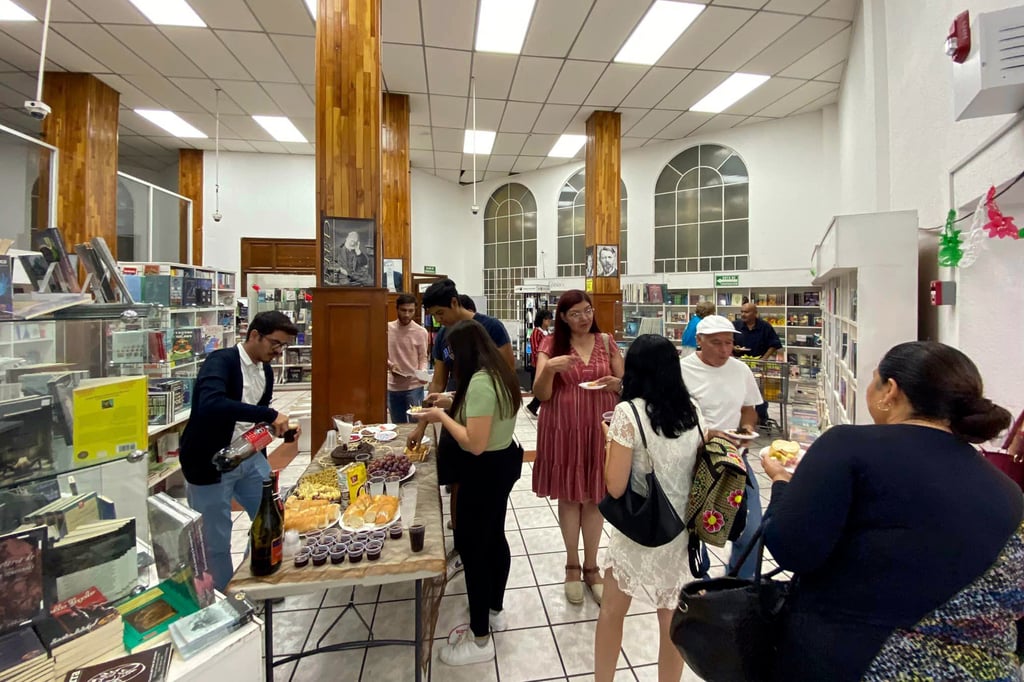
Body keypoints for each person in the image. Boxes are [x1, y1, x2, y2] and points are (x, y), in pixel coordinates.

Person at [761, 341, 1021, 681]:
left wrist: (781, 485)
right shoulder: (1008, 491)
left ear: (891, 391)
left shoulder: (846, 445)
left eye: (874, 379)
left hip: (862, 660)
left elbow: (792, 548)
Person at [413, 319, 523, 666]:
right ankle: (494, 609)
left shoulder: (479, 383)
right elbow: (483, 415)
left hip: (482, 471)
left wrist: (438, 417)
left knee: (474, 552)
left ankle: (478, 640)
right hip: (503, 463)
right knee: (494, 538)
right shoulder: (500, 373)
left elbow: (474, 442)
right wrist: (447, 401)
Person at [595, 335, 703, 682]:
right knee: (671, 621)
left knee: (613, 612)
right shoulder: (693, 410)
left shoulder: (628, 413)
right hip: (681, 530)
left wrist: (608, 438)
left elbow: (615, 485)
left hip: (640, 530)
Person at [180, 311, 296, 591]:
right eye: (275, 344)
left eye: (283, 346)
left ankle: (256, 577)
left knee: (273, 517)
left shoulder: (265, 369)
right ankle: (223, 597)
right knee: (215, 540)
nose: (278, 352)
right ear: (254, 335)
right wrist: (268, 414)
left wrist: (276, 428)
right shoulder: (221, 362)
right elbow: (211, 404)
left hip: (250, 456)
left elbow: (255, 417)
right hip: (210, 462)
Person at [407, 279, 513, 570]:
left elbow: (508, 375)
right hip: (455, 411)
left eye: (441, 313)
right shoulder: (442, 336)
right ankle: (462, 543)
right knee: (457, 484)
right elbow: (439, 380)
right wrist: (421, 424)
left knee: (484, 492)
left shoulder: (490, 328)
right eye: (434, 317)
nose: (439, 321)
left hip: (485, 418)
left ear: (455, 303)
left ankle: (480, 545)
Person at [533, 290, 624, 605]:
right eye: (575, 313)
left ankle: (591, 566)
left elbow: (624, 380)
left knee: (596, 496)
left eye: (587, 311)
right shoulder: (550, 345)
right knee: (571, 496)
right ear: (562, 317)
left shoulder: (607, 341)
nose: (584, 318)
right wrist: (548, 370)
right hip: (564, 426)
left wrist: (619, 385)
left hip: (600, 425)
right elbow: (541, 395)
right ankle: (572, 565)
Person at [679, 314, 762, 579]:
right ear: (699, 341)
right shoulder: (681, 371)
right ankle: (698, 586)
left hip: (736, 462)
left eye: (729, 343)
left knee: (752, 530)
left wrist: (746, 430)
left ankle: (738, 584)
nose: (725, 350)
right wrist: (707, 434)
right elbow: (674, 419)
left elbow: (748, 410)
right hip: (695, 462)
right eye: (717, 343)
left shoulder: (741, 370)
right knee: (694, 531)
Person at [734, 302, 781, 425]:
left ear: (755, 313)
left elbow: (775, 344)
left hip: (759, 366)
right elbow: (729, 341)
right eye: (742, 312)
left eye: (746, 312)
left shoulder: (765, 327)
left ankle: (762, 418)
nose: (743, 314)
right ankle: (740, 418)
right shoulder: (735, 326)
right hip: (740, 364)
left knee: (760, 393)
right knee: (740, 392)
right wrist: (735, 348)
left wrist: (764, 358)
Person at [387, 294, 429, 424]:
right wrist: (390, 365)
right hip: (393, 385)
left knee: (416, 423)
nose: (406, 314)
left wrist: (423, 372)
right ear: (397, 309)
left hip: (414, 386)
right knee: (397, 424)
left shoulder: (421, 332)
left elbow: (423, 358)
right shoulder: (386, 329)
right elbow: (379, 354)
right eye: (403, 310)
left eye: (410, 311)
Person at [526, 309, 553, 415]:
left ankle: (533, 406)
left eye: (550, 319)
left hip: (548, 363)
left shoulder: (548, 333)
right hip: (539, 364)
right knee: (542, 386)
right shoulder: (536, 332)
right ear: (541, 320)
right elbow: (536, 349)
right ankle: (532, 406)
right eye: (547, 319)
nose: (549, 321)